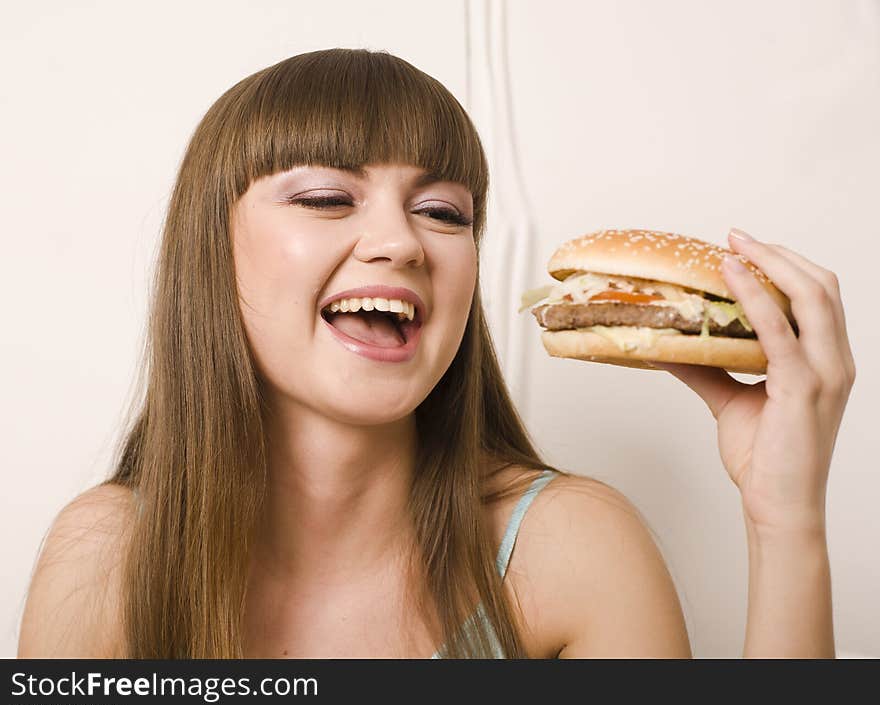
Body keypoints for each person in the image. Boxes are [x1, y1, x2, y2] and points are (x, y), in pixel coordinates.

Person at [17, 48, 855, 659]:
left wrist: (786, 522)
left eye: (445, 213)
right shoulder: (108, 557)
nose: (401, 241)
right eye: (323, 197)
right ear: (212, 251)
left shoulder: (567, 549)